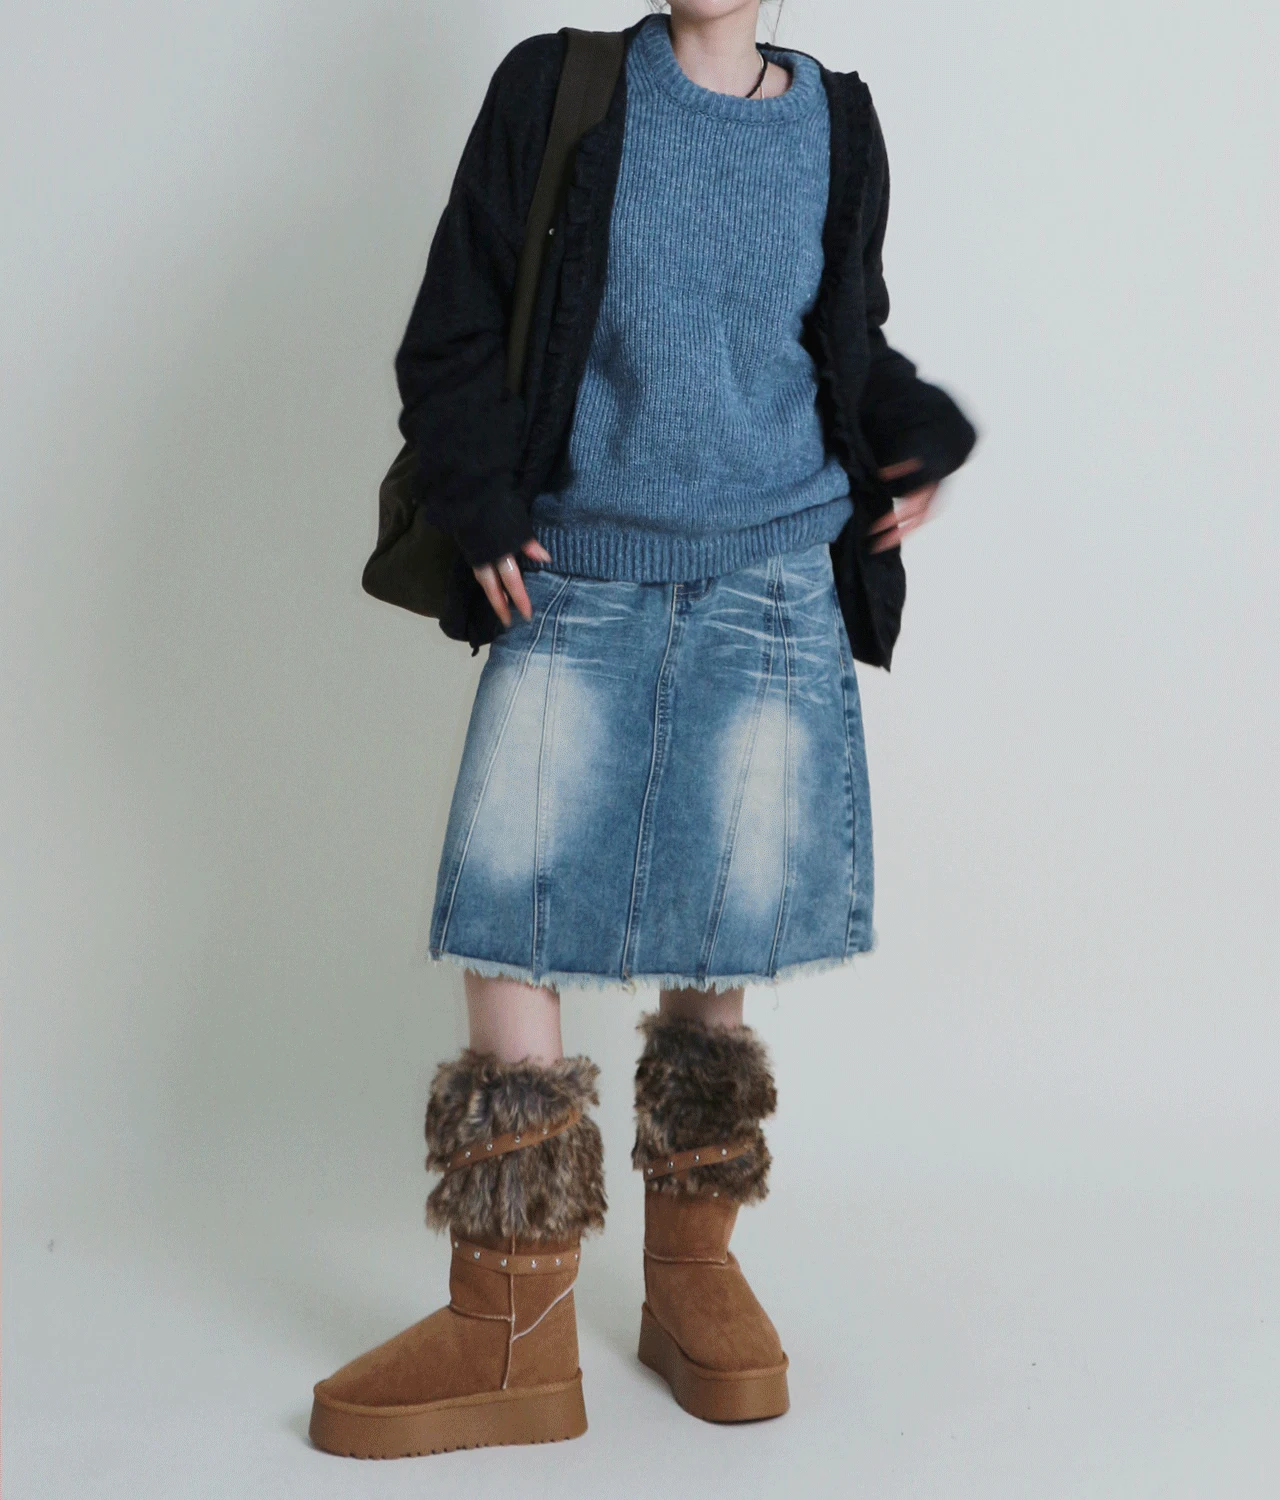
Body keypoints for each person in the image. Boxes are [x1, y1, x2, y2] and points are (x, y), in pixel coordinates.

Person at [309, 0, 976, 1458]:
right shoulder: (563, 90)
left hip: (774, 582)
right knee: (512, 906)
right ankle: (511, 1323)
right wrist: (483, 500)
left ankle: (691, 1274)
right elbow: (455, 329)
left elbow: (841, 343)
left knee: (725, 927)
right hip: (581, 576)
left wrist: (917, 425)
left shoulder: (839, 124)